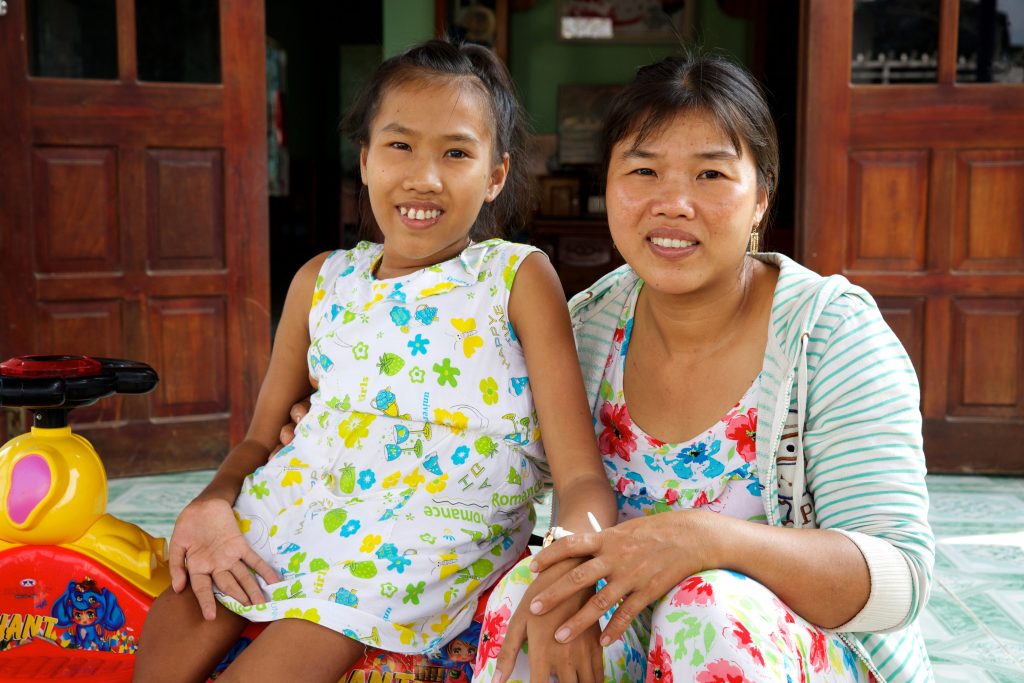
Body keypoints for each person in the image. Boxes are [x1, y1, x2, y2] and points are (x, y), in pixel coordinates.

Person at [134, 39, 615, 683]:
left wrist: (566, 567)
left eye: (456, 152)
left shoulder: (515, 277)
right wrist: (210, 504)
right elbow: (258, 438)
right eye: (399, 145)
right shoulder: (320, 279)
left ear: (495, 174)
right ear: (364, 160)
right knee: (178, 618)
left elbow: (579, 475)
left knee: (275, 665)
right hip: (297, 502)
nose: (424, 177)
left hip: (427, 533)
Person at [468, 52, 935, 682]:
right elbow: (465, 436)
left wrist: (710, 541)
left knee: (708, 610)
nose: (674, 203)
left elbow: (900, 580)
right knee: (536, 600)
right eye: (643, 170)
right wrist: (312, 413)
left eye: (711, 174)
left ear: (762, 198)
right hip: (635, 633)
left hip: (809, 650)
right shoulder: (586, 329)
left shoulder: (830, 335)